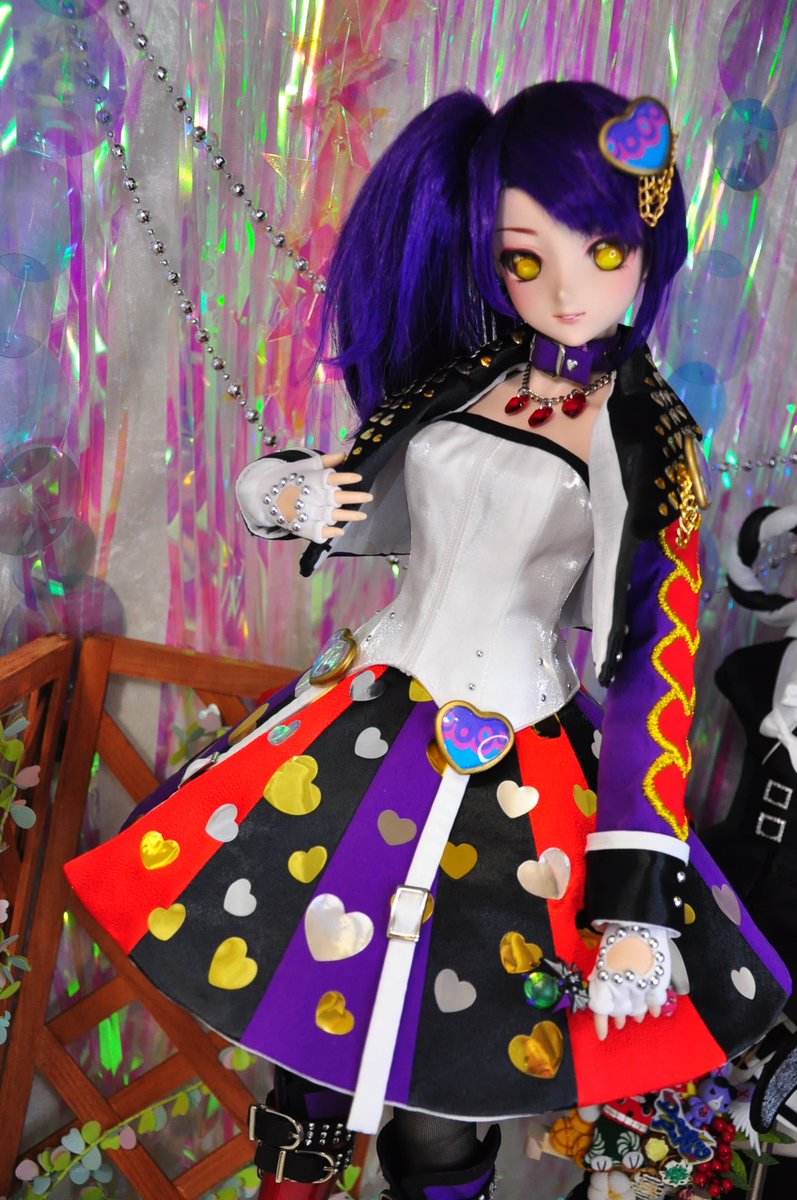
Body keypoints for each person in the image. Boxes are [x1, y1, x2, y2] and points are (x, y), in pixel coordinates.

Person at [65, 82, 789, 1200]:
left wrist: (633, 902)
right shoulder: (469, 378)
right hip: (359, 730)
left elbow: (655, 665)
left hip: (511, 769)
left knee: (444, 1094)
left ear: (649, 244)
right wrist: (288, 494)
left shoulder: (649, 441)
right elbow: (367, 503)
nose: (564, 289)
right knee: (306, 1030)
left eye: (601, 252)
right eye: (523, 258)